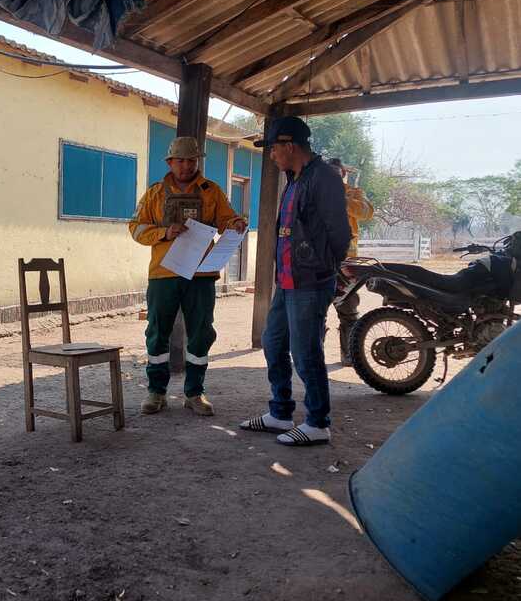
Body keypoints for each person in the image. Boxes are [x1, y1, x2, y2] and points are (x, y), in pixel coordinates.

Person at [239, 117, 351, 446]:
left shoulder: (324, 178)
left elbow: (339, 234)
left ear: (289, 146)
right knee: (273, 343)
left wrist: (325, 269)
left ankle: (318, 422)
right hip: (287, 281)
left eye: (274, 148)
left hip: (309, 282)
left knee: (305, 353)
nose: (271, 155)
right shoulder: (295, 178)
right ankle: (281, 412)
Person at [130, 136, 248, 417]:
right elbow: (135, 227)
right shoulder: (155, 193)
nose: (185, 166)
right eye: (180, 160)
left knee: (201, 333)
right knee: (158, 333)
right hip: (163, 274)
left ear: (198, 162)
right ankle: (156, 392)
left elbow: (227, 220)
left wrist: (236, 223)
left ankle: (195, 393)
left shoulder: (212, 192)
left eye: (191, 160)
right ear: (170, 162)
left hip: (202, 274)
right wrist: (163, 232)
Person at [329, 158, 375, 365]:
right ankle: (313, 356)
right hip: (319, 261)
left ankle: (348, 355)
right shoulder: (315, 192)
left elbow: (366, 212)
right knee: (315, 311)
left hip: (347, 263)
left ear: (343, 175)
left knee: (348, 309)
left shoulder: (354, 193)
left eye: (336, 175)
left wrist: (341, 199)